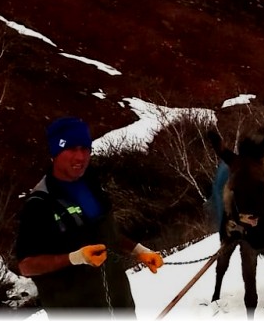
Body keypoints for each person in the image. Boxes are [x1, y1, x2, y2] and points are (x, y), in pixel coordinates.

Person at [15, 117, 164, 315]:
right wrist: (73, 258)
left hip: (120, 305)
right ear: (55, 152)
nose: (80, 157)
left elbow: (105, 234)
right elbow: (26, 266)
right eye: (71, 148)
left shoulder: (92, 184)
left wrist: (139, 251)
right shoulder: (40, 203)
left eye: (85, 148)